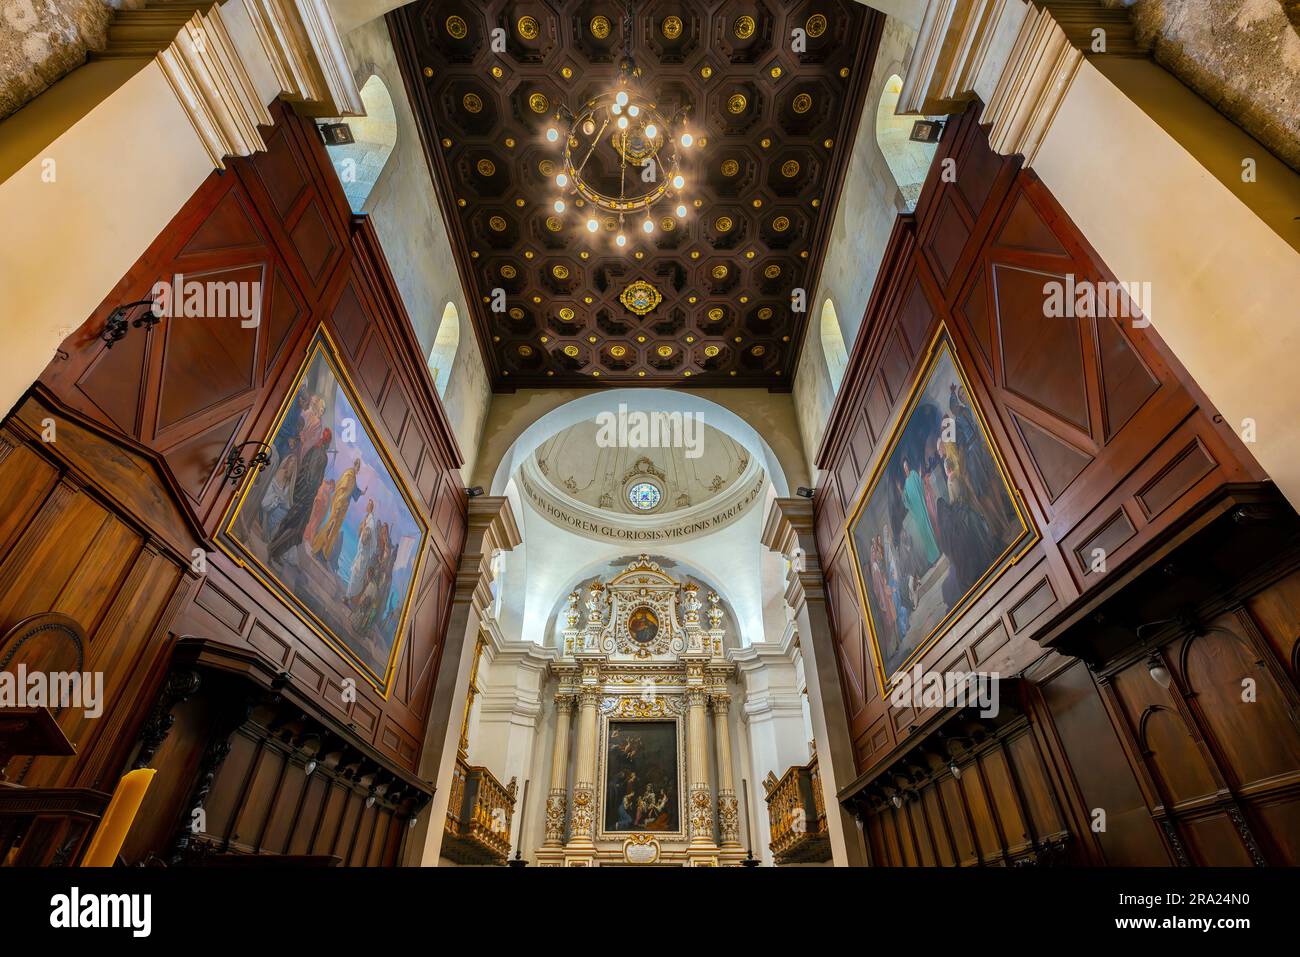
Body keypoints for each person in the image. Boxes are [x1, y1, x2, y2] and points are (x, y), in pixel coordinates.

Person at [268, 429, 331, 562]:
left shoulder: (315, 449)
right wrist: (309, 497)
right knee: (296, 529)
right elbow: (312, 478)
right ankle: (275, 550)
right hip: (305, 496)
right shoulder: (322, 456)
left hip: (300, 491)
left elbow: (306, 471)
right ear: (328, 443)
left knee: (289, 522)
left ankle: (274, 547)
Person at [311, 457, 367, 572]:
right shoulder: (349, 475)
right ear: (355, 466)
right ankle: (317, 549)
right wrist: (338, 505)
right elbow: (342, 490)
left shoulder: (353, 477)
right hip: (339, 505)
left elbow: (354, 490)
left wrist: (362, 493)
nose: (358, 469)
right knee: (329, 527)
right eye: (358, 467)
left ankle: (324, 554)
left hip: (342, 508)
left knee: (334, 531)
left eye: (359, 468)